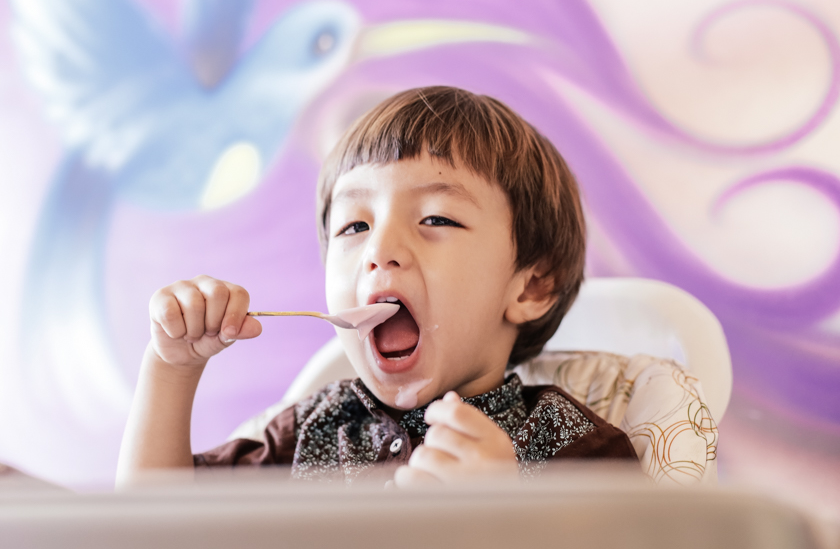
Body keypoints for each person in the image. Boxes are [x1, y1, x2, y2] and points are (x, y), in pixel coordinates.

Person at [116, 86, 637, 488]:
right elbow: (153, 529)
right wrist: (171, 370)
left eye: (436, 219)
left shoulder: (564, 443)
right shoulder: (311, 432)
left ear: (531, 287)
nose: (378, 249)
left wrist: (511, 519)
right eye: (355, 227)